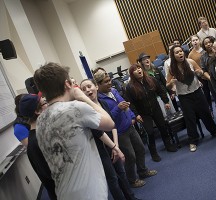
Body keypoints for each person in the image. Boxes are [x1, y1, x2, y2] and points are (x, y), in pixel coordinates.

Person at [33, 62, 118, 200]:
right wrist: (83, 97)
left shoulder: (40, 120)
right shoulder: (75, 108)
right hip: (89, 193)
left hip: (64, 193)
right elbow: (110, 123)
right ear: (67, 84)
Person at [80, 79, 144, 198]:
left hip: (113, 144)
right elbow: (98, 132)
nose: (87, 90)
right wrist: (114, 147)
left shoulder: (103, 103)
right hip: (101, 148)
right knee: (113, 178)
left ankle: (131, 197)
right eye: (83, 89)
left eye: (89, 86)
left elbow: (112, 124)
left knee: (121, 173)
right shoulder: (86, 110)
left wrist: (116, 145)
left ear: (96, 87)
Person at [166, 45, 216, 152]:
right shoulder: (172, 69)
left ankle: (214, 131)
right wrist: (171, 83)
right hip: (184, 97)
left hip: (197, 92)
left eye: (181, 51)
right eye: (177, 52)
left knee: (205, 113)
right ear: (173, 55)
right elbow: (167, 85)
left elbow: (200, 72)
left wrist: (200, 73)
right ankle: (193, 141)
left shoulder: (190, 62)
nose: (180, 53)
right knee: (190, 119)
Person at [125, 64, 177, 162]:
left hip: (156, 108)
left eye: (139, 68)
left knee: (162, 127)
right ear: (132, 74)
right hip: (143, 113)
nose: (138, 70)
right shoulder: (130, 87)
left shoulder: (151, 80)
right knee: (150, 132)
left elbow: (161, 90)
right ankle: (153, 153)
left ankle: (168, 145)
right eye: (135, 70)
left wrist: (166, 101)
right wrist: (136, 115)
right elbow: (130, 103)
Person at [18, 93, 57, 200]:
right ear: (37, 111)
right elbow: (52, 175)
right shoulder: (37, 141)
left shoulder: (41, 134)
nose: (48, 105)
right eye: (44, 103)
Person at [138, 52, 176, 117]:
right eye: (144, 59)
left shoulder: (155, 69)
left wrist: (170, 92)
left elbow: (164, 81)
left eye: (147, 58)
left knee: (173, 113)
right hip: (155, 97)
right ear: (141, 62)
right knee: (164, 116)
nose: (147, 60)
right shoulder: (143, 74)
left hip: (165, 93)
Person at [200, 36, 216, 128]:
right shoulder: (203, 57)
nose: (208, 44)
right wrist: (211, 78)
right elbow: (203, 70)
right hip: (212, 82)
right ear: (204, 46)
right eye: (206, 43)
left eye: (209, 42)